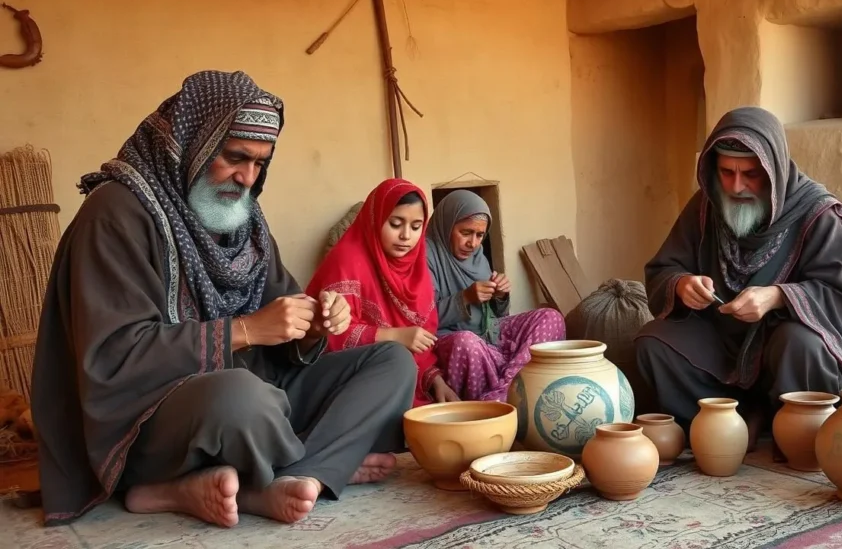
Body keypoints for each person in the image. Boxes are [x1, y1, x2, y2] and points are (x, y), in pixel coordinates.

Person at [30, 70, 417, 529]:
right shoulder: (115, 213)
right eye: (236, 157)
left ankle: (293, 473)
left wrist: (312, 325)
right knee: (241, 398)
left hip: (258, 397)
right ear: (193, 142)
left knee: (393, 363)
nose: (247, 177)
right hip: (154, 415)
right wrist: (246, 330)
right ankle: (320, 463)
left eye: (260, 163)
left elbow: (282, 314)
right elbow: (115, 355)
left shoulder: (241, 215)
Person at [634, 106, 842, 452]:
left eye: (750, 174)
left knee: (801, 344)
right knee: (653, 342)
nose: (736, 186)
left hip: (784, 350)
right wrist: (681, 285)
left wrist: (777, 297)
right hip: (724, 346)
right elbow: (665, 269)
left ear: (774, 169)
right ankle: (732, 424)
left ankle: (789, 434)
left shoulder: (817, 215)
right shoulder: (707, 205)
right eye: (727, 172)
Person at [305, 179, 454, 406]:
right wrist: (394, 336)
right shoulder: (347, 261)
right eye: (395, 224)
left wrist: (435, 380)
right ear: (376, 219)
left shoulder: (416, 267)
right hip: (353, 384)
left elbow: (421, 338)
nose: (406, 236)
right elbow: (326, 335)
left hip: (404, 379)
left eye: (416, 227)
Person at [425, 190, 565, 401]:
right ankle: (507, 396)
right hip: (450, 340)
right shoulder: (425, 257)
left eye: (480, 235)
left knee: (550, 317)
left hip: (488, 334)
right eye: (466, 232)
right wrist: (465, 298)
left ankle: (507, 388)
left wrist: (499, 296)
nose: (473, 243)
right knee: (466, 343)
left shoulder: (477, 257)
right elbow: (421, 320)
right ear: (446, 225)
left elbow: (495, 316)